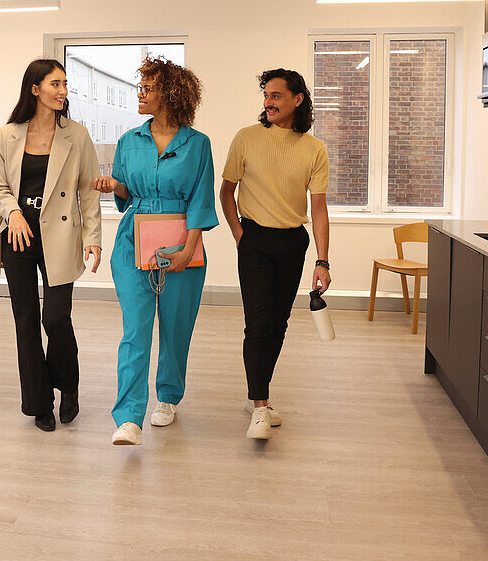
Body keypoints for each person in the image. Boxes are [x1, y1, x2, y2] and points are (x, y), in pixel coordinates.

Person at [92, 57, 218, 447]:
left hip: (183, 241)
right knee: (135, 331)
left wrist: (189, 249)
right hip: (134, 241)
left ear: (170, 94)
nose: (140, 94)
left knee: (176, 329)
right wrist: (115, 185)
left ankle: (168, 396)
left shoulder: (197, 144)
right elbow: (128, 194)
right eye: (141, 86)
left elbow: (201, 201)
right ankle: (129, 417)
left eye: (147, 88)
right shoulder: (129, 140)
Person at [0, 59, 102, 432]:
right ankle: (39, 402)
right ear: (35, 89)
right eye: (55, 84)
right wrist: (11, 213)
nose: (63, 91)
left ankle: (69, 387)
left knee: (55, 317)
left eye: (65, 84)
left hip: (61, 233)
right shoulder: (7, 134)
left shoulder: (76, 135)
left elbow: (88, 191)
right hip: (18, 232)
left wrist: (92, 239)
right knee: (26, 319)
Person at [219, 68, 331, 441]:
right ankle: (261, 406)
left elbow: (318, 209)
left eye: (276, 95)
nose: (268, 102)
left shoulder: (314, 149)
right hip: (254, 240)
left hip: (292, 243)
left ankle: (258, 396)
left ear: (297, 99)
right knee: (259, 322)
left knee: (279, 323)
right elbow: (227, 192)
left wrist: (322, 260)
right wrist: (239, 236)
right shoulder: (246, 139)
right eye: (266, 95)